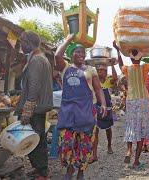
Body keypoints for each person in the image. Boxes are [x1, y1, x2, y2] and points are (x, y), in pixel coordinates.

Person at [54, 34, 107, 180]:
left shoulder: (90, 70)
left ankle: (81, 172)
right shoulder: (65, 67)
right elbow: (57, 55)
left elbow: (98, 89)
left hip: (86, 113)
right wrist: (68, 39)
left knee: (85, 143)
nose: (80, 54)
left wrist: (103, 103)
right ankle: (70, 170)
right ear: (71, 54)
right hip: (68, 113)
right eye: (77, 52)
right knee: (67, 143)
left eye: (83, 52)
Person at [113, 37, 149, 168]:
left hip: (131, 100)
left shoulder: (126, 69)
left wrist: (118, 50)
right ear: (141, 58)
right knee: (142, 130)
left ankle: (129, 150)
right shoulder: (144, 68)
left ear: (130, 58)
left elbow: (119, 64)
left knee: (131, 126)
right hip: (143, 100)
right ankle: (136, 161)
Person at [15, 31, 53, 180]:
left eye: (22, 42)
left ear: (29, 43)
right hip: (38, 107)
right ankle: (40, 169)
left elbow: (34, 87)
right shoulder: (38, 58)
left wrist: (27, 111)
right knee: (38, 138)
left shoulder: (37, 60)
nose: (21, 45)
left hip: (35, 108)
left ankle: (42, 173)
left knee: (34, 139)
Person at [92, 64, 118, 162]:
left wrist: (112, 65)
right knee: (96, 130)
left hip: (107, 108)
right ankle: (94, 154)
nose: (102, 72)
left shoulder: (108, 81)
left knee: (108, 129)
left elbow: (115, 78)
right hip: (96, 108)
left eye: (104, 70)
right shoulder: (94, 81)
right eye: (100, 70)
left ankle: (109, 146)